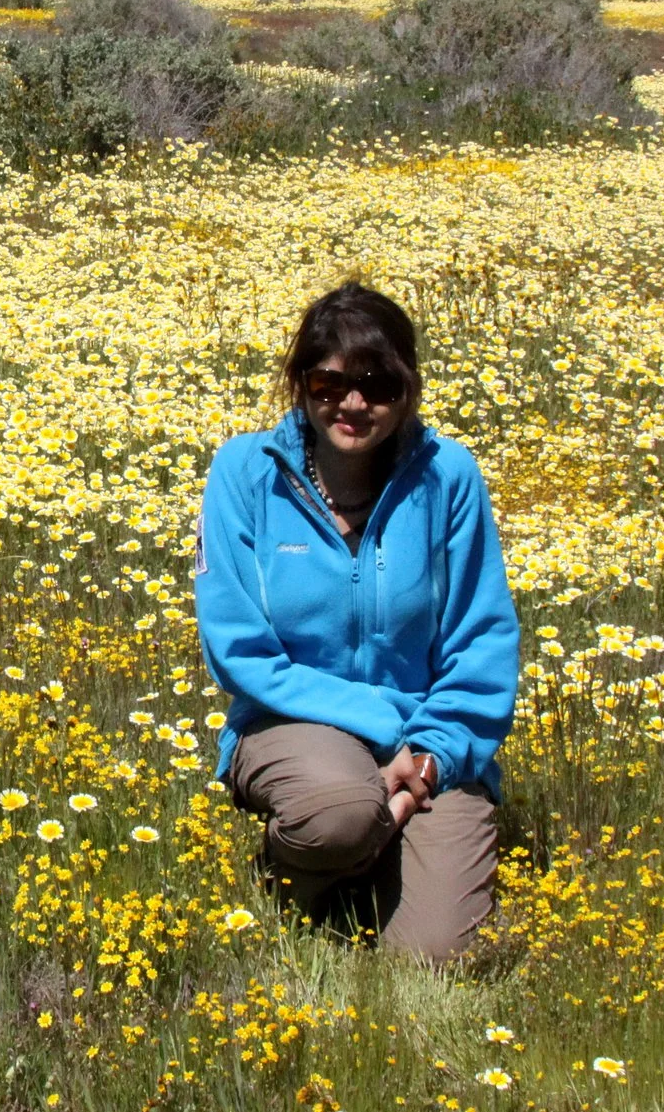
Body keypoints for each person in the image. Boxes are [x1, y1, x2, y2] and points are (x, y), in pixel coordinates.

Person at [192, 282, 520, 961]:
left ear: (408, 388)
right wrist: (382, 725)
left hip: (429, 737)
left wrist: (427, 762)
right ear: (300, 384)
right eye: (327, 380)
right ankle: (306, 865)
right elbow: (240, 652)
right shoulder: (245, 473)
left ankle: (352, 860)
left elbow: (480, 647)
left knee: (436, 953)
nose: (350, 402)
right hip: (292, 722)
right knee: (341, 811)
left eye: (375, 383)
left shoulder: (449, 478)